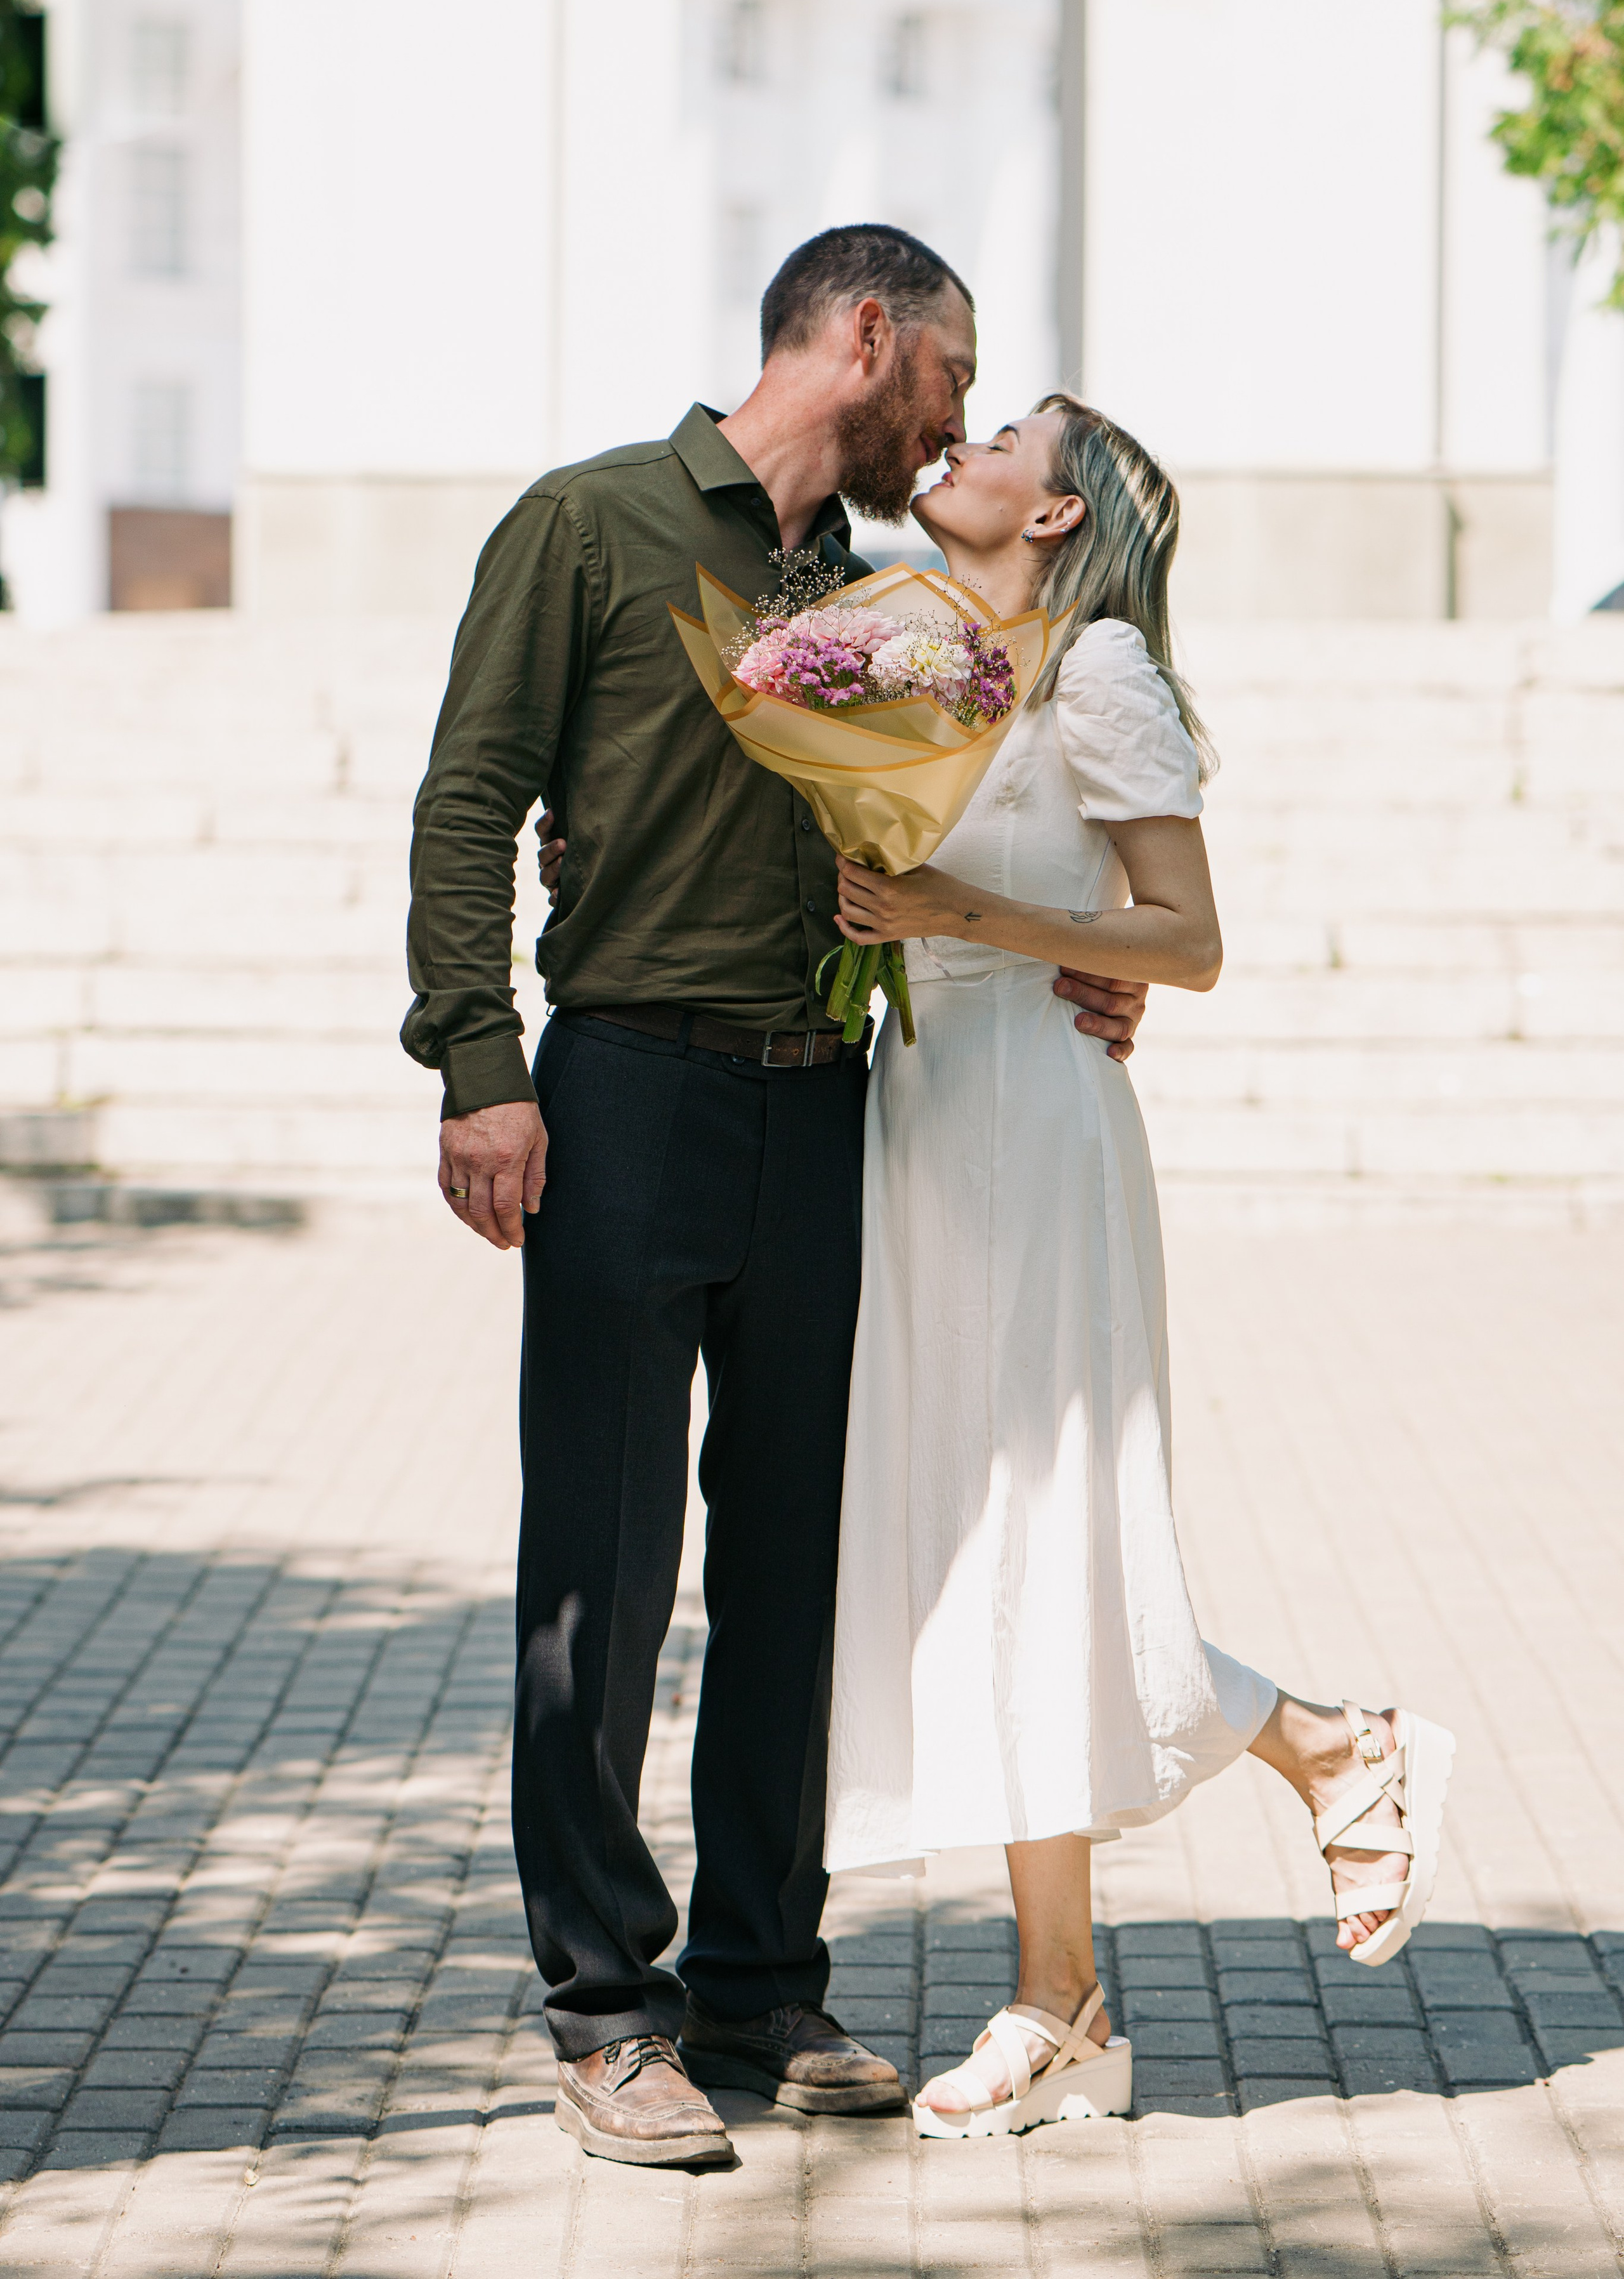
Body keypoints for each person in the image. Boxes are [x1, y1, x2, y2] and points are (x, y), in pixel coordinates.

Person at [402, 227, 1151, 2169]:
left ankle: (756, 1980)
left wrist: (1102, 951)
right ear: (869, 336)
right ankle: (604, 2009)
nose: (960, 423)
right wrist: (479, 1063)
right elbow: (470, 794)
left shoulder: (895, 601)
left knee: (796, 1570)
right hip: (627, 1086)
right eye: (951, 378)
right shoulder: (590, 525)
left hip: (830, 1115)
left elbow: (990, 812)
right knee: (605, 1558)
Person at [826, 397, 1456, 2141]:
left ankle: (1075, 1980)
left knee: (1046, 1542)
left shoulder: (1097, 663)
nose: (962, 442)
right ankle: (1123, 1948)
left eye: (1007, 434)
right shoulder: (924, 650)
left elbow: (1188, 940)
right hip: (929, 1121)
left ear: (1054, 515)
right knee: (987, 1548)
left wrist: (966, 917)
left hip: (1037, 1126)